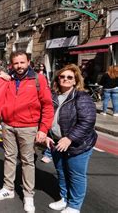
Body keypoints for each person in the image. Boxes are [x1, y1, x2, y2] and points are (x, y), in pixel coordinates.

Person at [0, 50, 54, 213]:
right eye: (16, 63)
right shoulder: (8, 79)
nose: (19, 66)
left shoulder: (38, 79)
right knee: (9, 158)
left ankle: (28, 196)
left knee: (27, 162)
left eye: (22, 62)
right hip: (8, 125)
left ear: (28, 62)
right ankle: (8, 188)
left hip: (29, 127)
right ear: (11, 64)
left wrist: (43, 129)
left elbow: (48, 106)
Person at [46, 64, 97, 213]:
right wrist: (46, 135)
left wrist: (69, 138)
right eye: (62, 76)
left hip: (78, 144)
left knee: (76, 175)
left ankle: (74, 206)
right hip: (56, 142)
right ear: (57, 78)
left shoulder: (82, 97)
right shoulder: (52, 96)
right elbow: (46, 116)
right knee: (61, 171)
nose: (66, 79)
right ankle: (64, 198)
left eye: (70, 77)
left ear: (75, 81)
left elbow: (87, 121)